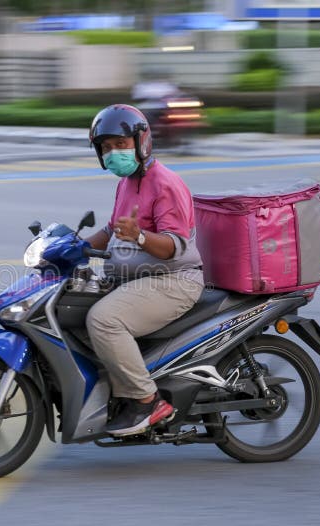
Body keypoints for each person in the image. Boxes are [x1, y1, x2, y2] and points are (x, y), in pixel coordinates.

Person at [85, 104, 204, 437]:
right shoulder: (126, 182)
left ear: (141, 142)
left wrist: (138, 235)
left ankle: (147, 399)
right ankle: (115, 392)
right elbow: (111, 230)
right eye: (106, 148)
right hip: (138, 277)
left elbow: (174, 246)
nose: (113, 154)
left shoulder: (165, 183)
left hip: (173, 280)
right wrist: (74, 247)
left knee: (104, 319)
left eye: (120, 145)